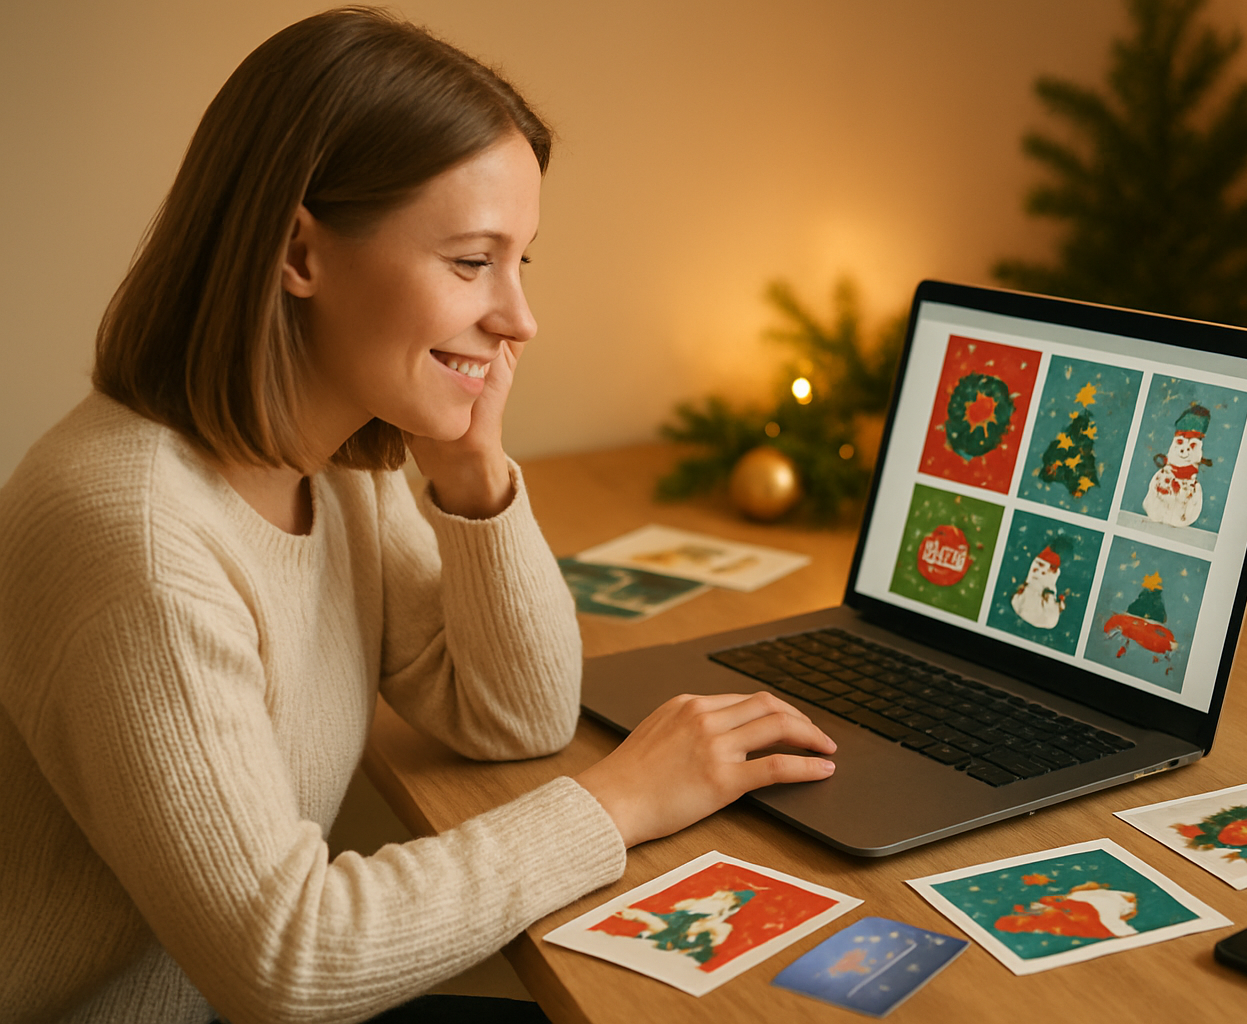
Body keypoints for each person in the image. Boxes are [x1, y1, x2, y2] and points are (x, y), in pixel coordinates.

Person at [0, 8, 837, 1023]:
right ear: (298, 252)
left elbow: (511, 715)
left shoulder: (330, 460)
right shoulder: (138, 537)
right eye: (471, 261)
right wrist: (620, 799)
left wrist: (473, 465)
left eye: (521, 262)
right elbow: (289, 960)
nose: (519, 319)